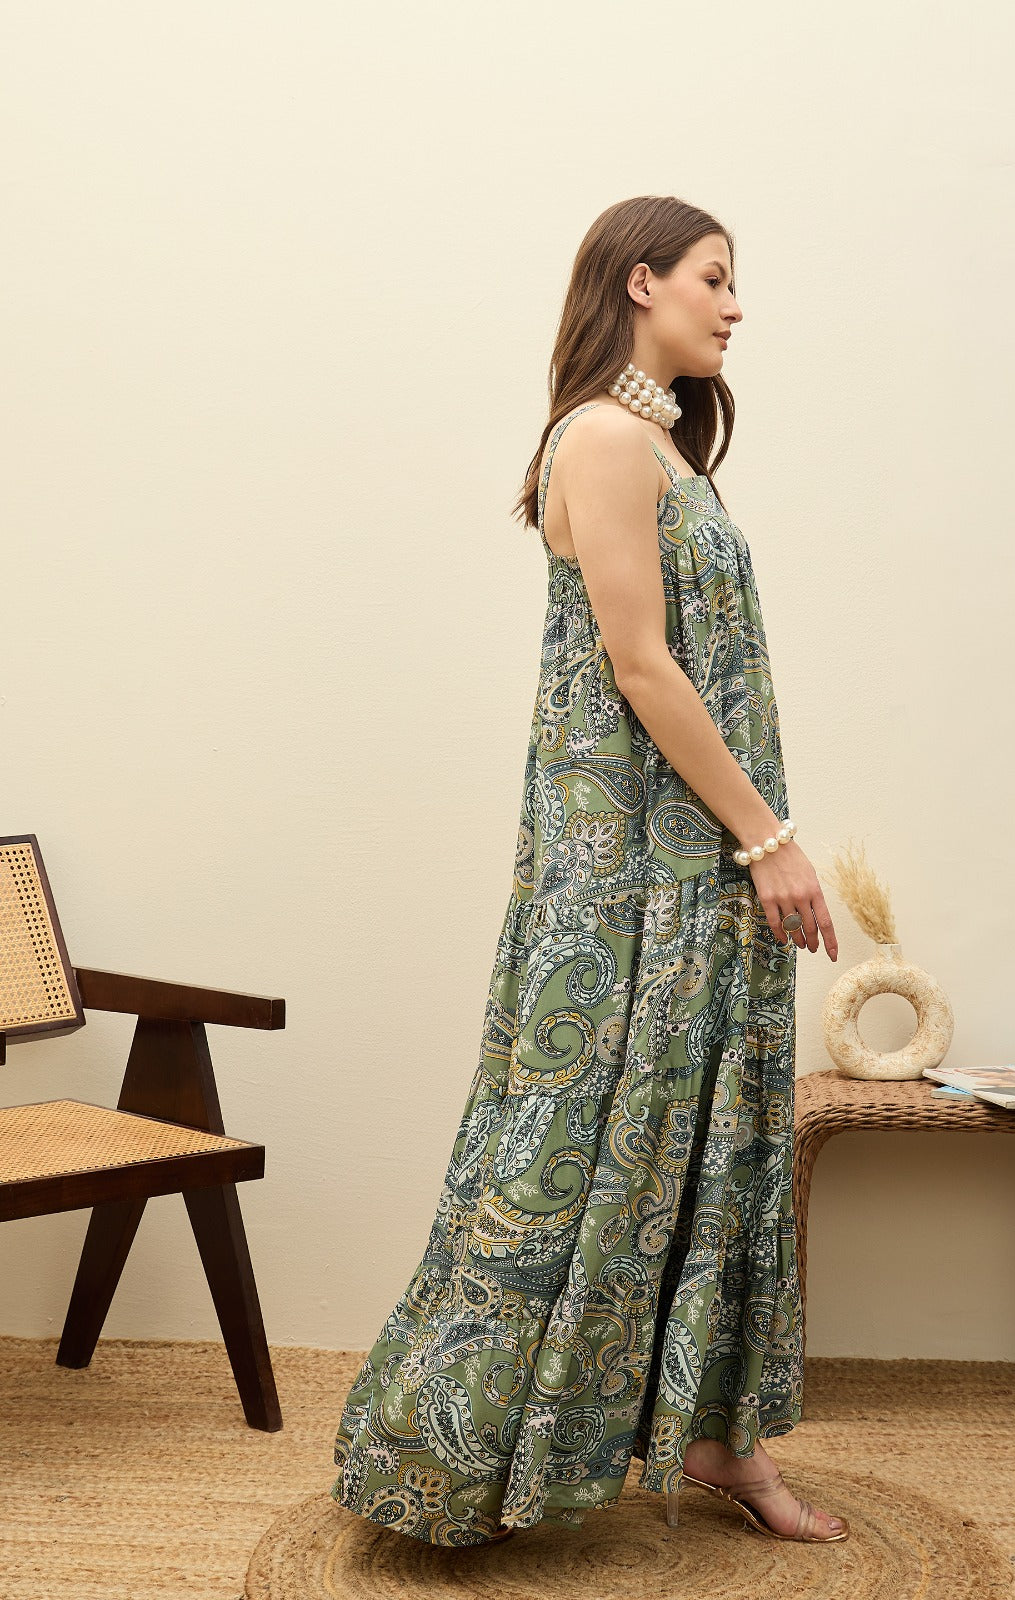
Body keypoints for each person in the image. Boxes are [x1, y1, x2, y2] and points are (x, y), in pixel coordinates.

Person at [329, 194, 847, 1549]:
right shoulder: (608, 437)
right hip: (632, 872)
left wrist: (745, 845)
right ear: (639, 283)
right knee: (575, 1144)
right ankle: (444, 1458)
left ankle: (723, 1441)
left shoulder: (664, 446)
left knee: (705, 1143)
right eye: (715, 277)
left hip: (692, 860)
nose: (735, 304)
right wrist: (772, 839)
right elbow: (639, 663)